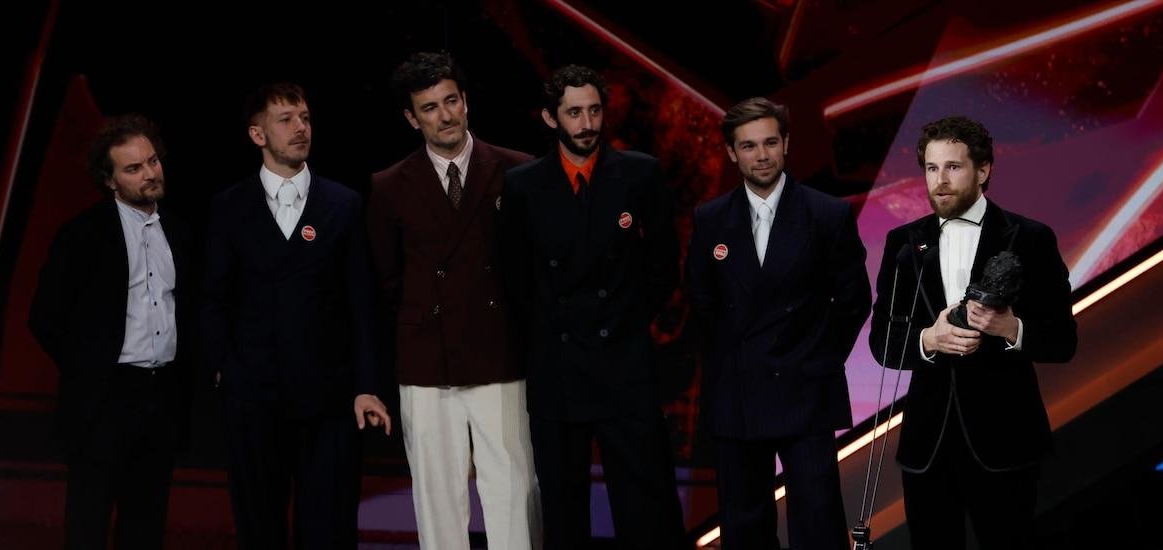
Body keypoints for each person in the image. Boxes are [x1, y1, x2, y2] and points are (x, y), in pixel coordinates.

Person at [500, 64, 686, 549]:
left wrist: (626, 319)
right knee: (563, 512)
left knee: (647, 508)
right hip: (557, 370)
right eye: (575, 112)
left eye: (594, 110)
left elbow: (665, 263)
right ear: (550, 117)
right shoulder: (522, 186)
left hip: (625, 364)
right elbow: (515, 278)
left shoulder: (640, 173)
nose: (587, 124)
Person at [869, 115, 1077, 549]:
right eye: (931, 168)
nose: (940, 181)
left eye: (953, 167)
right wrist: (929, 340)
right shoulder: (902, 243)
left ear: (983, 171)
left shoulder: (1031, 238)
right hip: (928, 447)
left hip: (1007, 442)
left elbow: (1063, 341)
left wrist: (1010, 328)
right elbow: (882, 343)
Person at [201, 82, 391, 549]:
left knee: (328, 528)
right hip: (253, 397)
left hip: (328, 399)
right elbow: (211, 297)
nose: (300, 127)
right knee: (258, 526)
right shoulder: (228, 207)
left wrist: (367, 384)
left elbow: (362, 302)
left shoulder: (343, 204)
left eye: (304, 117)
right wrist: (222, 369)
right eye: (285, 119)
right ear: (257, 134)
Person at [368, 52, 540, 550]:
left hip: (501, 354)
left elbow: (529, 270)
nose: (445, 116)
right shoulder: (388, 186)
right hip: (426, 362)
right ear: (411, 118)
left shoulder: (516, 171)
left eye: (451, 102)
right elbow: (387, 280)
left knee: (512, 491)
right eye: (429, 108)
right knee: (437, 496)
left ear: (466, 102)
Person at [686, 97, 870, 549]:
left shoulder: (827, 214)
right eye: (748, 146)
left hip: (806, 388)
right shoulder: (710, 220)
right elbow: (702, 304)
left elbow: (854, 300)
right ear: (732, 153)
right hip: (738, 392)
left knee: (818, 522)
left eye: (770, 142)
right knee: (744, 525)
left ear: (787, 144)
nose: (761, 155)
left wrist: (817, 357)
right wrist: (730, 365)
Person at [29, 114, 194, 550]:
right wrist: (91, 369)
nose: (149, 173)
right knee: (88, 522)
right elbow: (45, 317)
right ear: (110, 180)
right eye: (133, 168)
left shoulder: (181, 232)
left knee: (146, 523)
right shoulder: (82, 235)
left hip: (160, 398)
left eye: (153, 161)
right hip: (103, 400)